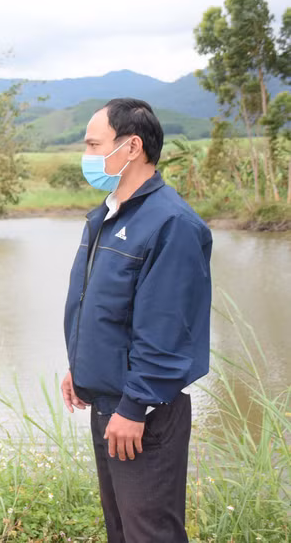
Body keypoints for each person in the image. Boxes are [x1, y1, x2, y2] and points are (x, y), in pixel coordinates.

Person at [60, 99, 212, 542]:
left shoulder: (170, 223)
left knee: (151, 533)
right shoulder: (106, 216)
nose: (86, 156)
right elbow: (101, 308)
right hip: (109, 404)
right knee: (122, 531)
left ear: (131, 148)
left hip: (142, 413)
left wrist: (135, 405)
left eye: (93, 144)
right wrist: (80, 365)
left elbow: (165, 328)